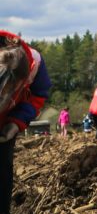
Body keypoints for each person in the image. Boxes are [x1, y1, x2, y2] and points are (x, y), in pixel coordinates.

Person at [0, 31, 51, 214]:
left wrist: (16, 122)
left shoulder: (35, 64)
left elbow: (38, 95)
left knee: (2, 173)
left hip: (5, 127)